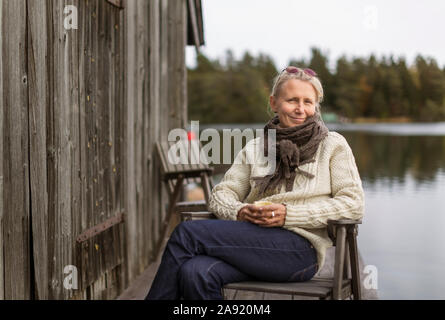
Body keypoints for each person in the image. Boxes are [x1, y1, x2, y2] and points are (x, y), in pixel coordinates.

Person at [145, 66, 365, 300]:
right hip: (251, 242)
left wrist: (288, 214)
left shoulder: (333, 145)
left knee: (187, 234)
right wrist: (240, 212)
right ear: (274, 103)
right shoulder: (256, 147)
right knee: (195, 273)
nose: (301, 109)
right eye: (292, 100)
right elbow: (222, 193)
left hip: (300, 251)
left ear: (316, 105)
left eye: (308, 102)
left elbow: (353, 204)